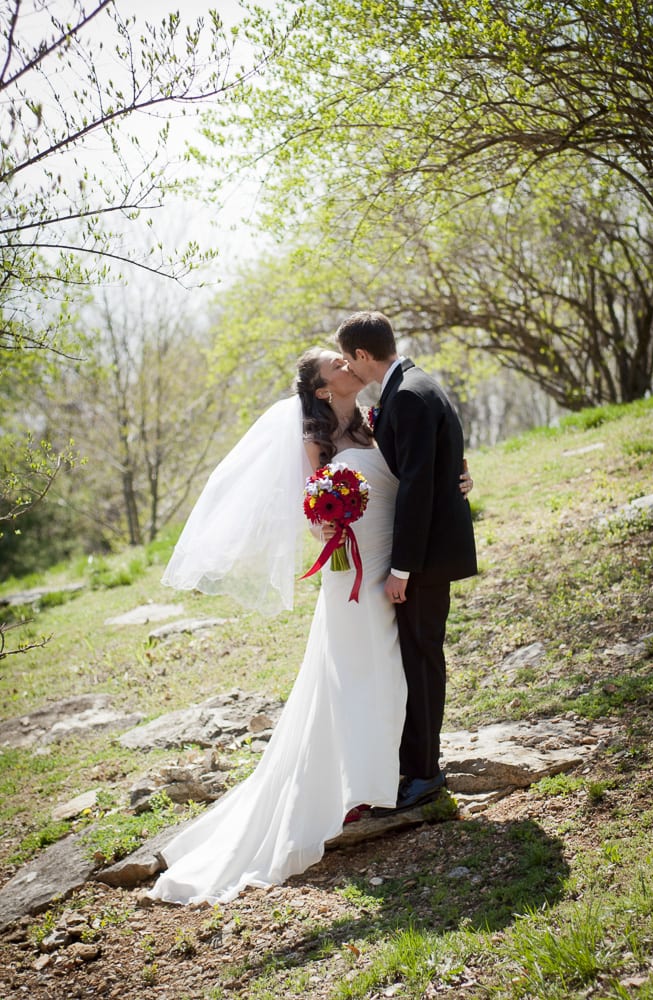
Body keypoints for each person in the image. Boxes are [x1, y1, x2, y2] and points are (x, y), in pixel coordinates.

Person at [147, 347, 472, 906]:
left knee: (392, 669)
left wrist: (456, 478)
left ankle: (390, 772)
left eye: (347, 362)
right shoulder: (314, 437)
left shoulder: (375, 420)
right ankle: (359, 784)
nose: (348, 368)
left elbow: (411, 473)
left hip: (389, 561)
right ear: (324, 390)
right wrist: (327, 518)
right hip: (352, 569)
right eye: (336, 367)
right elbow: (311, 502)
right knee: (359, 670)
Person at [337, 312, 478, 813]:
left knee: (421, 659)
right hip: (427, 549)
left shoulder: (409, 396)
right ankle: (415, 763)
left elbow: (417, 487)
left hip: (425, 556)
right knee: (418, 656)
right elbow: (434, 463)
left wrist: (403, 569)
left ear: (361, 355)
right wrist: (460, 473)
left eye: (348, 360)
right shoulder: (414, 386)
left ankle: (424, 772)